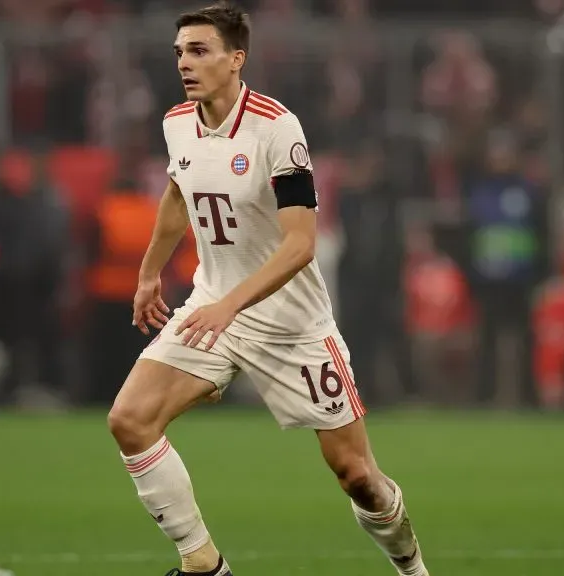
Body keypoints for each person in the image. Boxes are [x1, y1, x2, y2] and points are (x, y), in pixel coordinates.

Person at [105, 4, 430, 576]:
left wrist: (230, 306)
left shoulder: (277, 128)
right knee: (129, 419)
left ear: (237, 59)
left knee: (358, 477)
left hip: (292, 324)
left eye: (199, 50)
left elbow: (300, 243)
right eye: (179, 51)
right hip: (214, 306)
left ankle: (411, 568)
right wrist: (150, 271)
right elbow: (180, 191)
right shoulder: (177, 122)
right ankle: (204, 564)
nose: (184, 61)